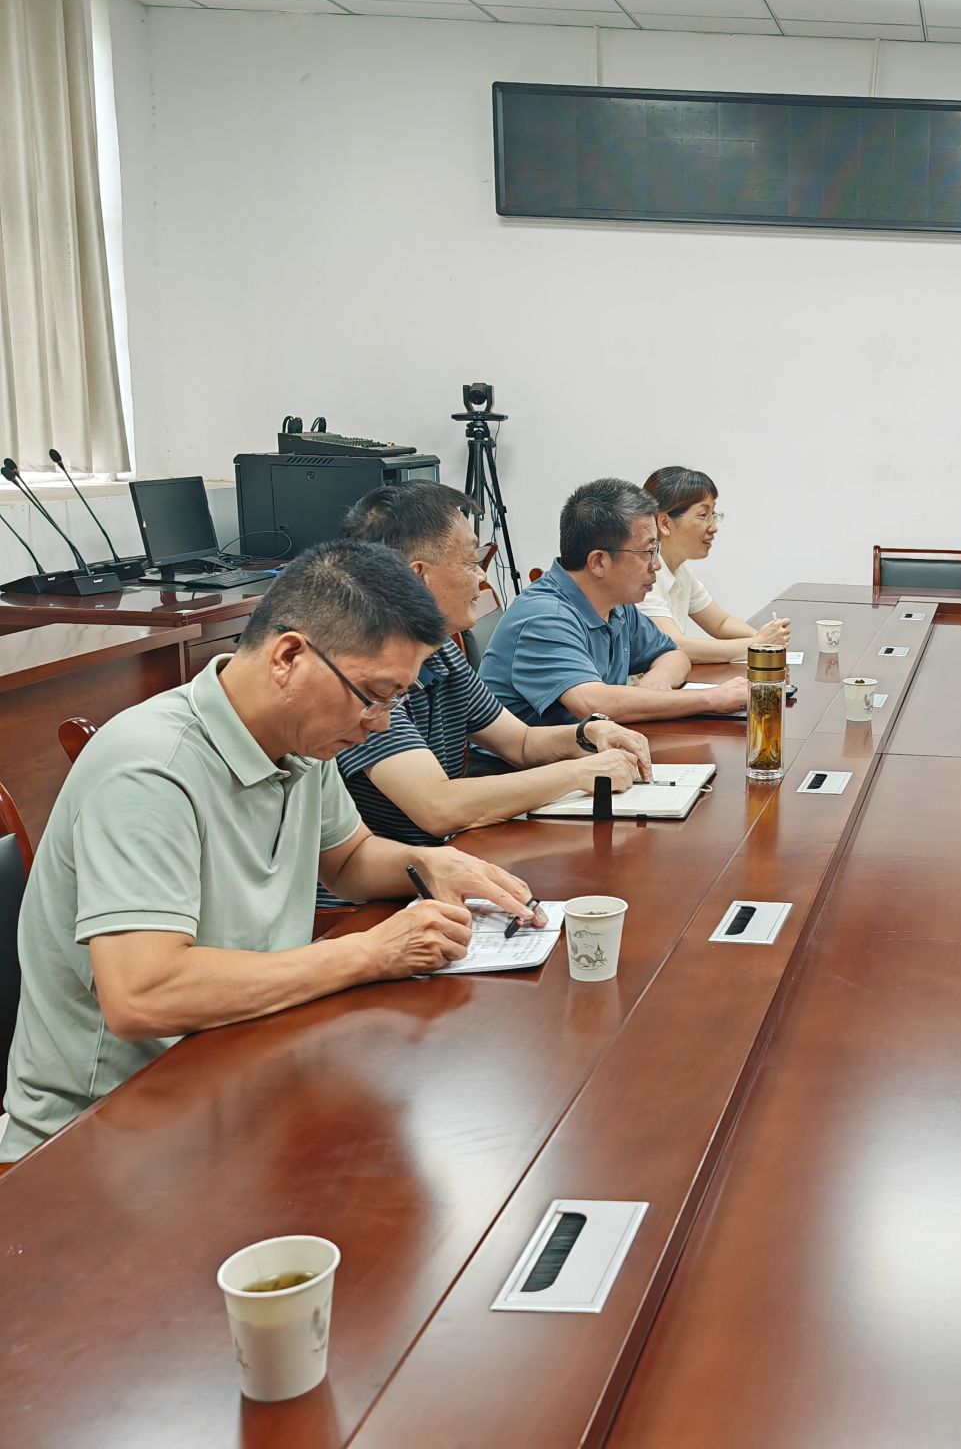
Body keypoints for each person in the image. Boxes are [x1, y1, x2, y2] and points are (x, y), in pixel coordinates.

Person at [0, 542, 539, 1159]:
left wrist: (429, 863)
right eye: (374, 695)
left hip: (246, 1063)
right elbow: (143, 993)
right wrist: (369, 952)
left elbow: (348, 859)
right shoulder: (149, 770)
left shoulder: (300, 739)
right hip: (111, 1128)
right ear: (288, 657)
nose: (383, 722)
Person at [337, 482, 655, 844]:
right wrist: (581, 773)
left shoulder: (440, 651)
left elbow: (520, 742)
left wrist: (588, 734)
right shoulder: (364, 677)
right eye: (471, 561)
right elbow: (437, 805)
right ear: (418, 576)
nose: (483, 576)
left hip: (451, 856)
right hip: (397, 874)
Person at [480, 479, 748, 727]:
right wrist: (712, 698)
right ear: (598, 562)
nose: (656, 565)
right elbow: (593, 704)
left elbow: (673, 654)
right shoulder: (546, 617)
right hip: (523, 761)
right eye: (647, 552)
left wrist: (654, 685)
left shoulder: (617, 605)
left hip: (590, 748)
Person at [639, 465, 792, 661]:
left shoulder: (680, 570)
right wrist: (757, 644)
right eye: (703, 516)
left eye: (713, 516)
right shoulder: (645, 573)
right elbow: (674, 646)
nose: (713, 527)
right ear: (665, 523)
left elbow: (721, 623)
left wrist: (765, 637)